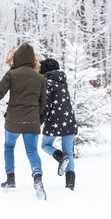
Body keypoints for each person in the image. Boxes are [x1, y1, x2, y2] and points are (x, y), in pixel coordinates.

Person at [0, 43, 47, 200]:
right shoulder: (40, 77)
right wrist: (38, 118)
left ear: (17, 58)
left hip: (13, 121)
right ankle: (37, 177)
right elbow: (43, 103)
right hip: (31, 122)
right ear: (32, 60)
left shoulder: (12, 74)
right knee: (32, 152)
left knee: (9, 146)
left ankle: (10, 178)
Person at [39, 58, 78, 190]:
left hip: (54, 122)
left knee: (45, 145)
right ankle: (70, 186)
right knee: (69, 152)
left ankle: (60, 157)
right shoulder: (63, 81)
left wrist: (39, 121)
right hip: (69, 121)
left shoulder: (48, 83)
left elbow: (46, 105)